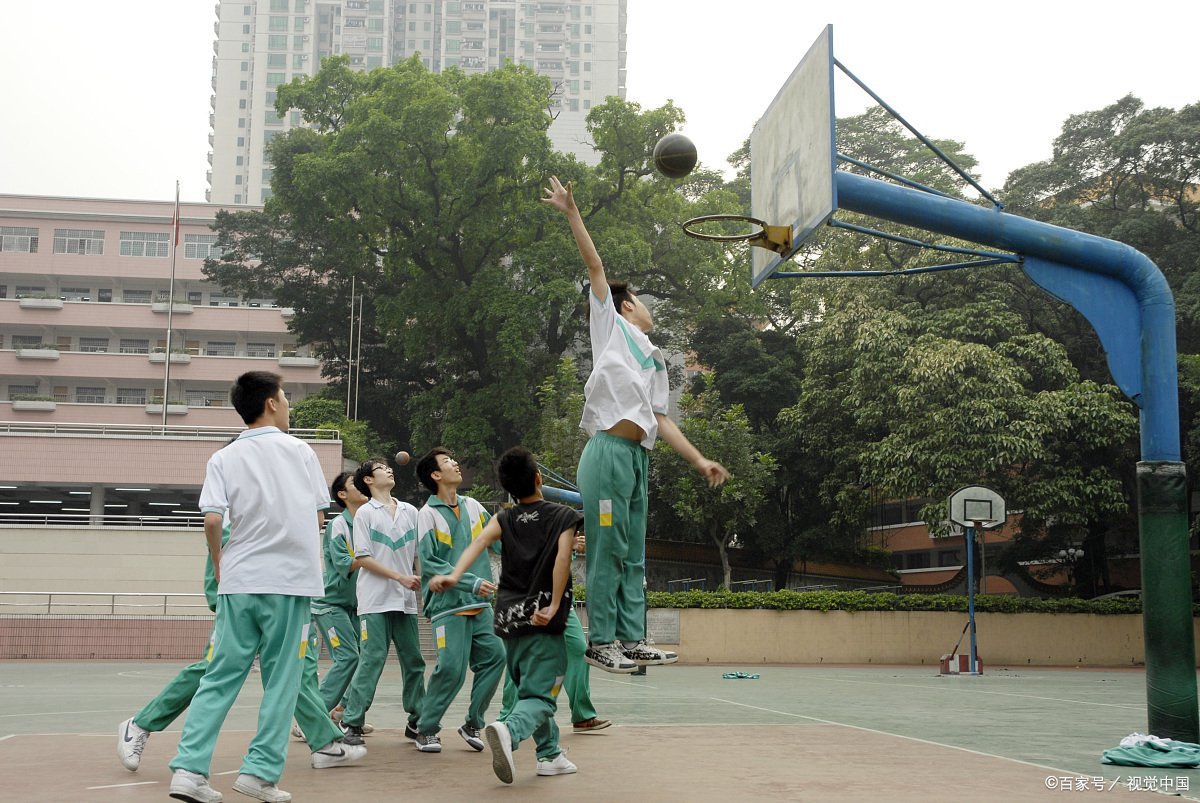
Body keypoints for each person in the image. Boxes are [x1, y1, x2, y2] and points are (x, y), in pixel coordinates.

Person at [542, 176, 731, 673]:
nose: (647, 307)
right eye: (642, 300)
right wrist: (572, 213)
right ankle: (601, 640)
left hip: (638, 460)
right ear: (628, 306)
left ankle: (631, 638)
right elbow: (596, 266)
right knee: (606, 548)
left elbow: (661, 420)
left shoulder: (655, 360)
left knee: (633, 553)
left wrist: (698, 460)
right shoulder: (612, 326)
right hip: (606, 454)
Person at [167, 371, 333, 803]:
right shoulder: (300, 450)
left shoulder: (223, 457)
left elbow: (212, 520)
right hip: (289, 584)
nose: (288, 404)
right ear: (273, 403)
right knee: (282, 680)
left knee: (220, 678)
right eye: (286, 396)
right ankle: (259, 774)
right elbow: (318, 518)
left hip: (238, 581)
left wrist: (221, 563)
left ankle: (188, 771)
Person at [430, 446, 580, 783]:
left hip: (508, 618)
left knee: (530, 689)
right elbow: (561, 561)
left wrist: (455, 576)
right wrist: (554, 605)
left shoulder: (503, 518)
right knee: (543, 694)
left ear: (509, 490)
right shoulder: (564, 516)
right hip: (543, 617)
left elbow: (478, 543)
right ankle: (509, 730)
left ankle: (550, 754)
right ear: (539, 478)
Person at [412, 447, 505, 754]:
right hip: (447, 605)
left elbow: (502, 541)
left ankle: (472, 722)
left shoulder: (475, 506)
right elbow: (431, 563)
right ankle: (425, 729)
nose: (455, 463)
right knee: (451, 669)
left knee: (496, 656)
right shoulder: (427, 515)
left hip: (478, 605)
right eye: (447, 461)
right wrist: (473, 581)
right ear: (435, 475)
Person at [337, 457, 427, 743]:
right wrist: (400, 578)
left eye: (389, 468)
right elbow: (362, 559)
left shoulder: (411, 511)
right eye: (381, 469)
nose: (389, 470)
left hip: (405, 602)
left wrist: (422, 584)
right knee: (372, 660)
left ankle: (417, 721)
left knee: (414, 661)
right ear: (368, 480)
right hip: (375, 601)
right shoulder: (365, 513)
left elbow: (417, 555)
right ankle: (352, 722)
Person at [497, 530, 610, 733]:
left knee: (580, 651)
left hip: (562, 606)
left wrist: (577, 546)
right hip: (528, 604)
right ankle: (507, 717)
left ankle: (582, 716)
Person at [310, 472, 367, 718]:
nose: (363, 485)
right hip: (330, 605)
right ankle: (315, 718)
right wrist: (371, 559)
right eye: (356, 483)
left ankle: (345, 711)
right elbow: (344, 562)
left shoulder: (370, 522)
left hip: (356, 606)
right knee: (347, 657)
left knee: (364, 659)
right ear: (342, 495)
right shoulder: (339, 525)